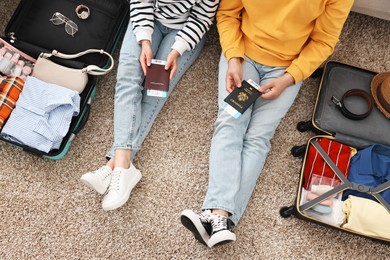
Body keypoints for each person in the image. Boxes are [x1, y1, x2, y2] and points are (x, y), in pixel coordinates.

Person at [181, 0, 354, 247]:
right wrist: (232, 57)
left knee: (258, 136)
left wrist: (289, 78)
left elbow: (324, 41)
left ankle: (218, 216)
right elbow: (228, 13)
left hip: (286, 69)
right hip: (244, 57)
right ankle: (222, 219)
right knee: (230, 122)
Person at [80, 0, 220, 211]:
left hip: (184, 31)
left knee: (154, 92)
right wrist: (145, 41)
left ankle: (114, 166)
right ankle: (124, 166)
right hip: (147, 18)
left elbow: (201, 17)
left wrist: (177, 50)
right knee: (127, 82)